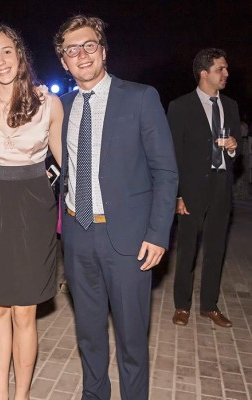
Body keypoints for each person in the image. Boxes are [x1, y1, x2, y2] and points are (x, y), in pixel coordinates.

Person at [53, 15, 178, 399]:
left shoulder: (140, 97)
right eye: (71, 50)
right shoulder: (62, 105)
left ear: (103, 51)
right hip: (78, 234)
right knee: (89, 334)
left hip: (128, 240)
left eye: (89, 45)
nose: (82, 54)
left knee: (131, 340)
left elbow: (166, 171)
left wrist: (158, 234)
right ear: (63, 62)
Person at [0, 25, 63, 400]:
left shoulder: (47, 103)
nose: (0, 61)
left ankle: (21, 396)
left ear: (20, 54)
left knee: (24, 311)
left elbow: (65, 160)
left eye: (6, 52)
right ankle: (0, 396)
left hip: (35, 202)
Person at [169, 48, 241, 328]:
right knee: (187, 249)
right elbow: (173, 153)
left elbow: (240, 148)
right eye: (220, 69)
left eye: (225, 69)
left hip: (222, 187)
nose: (226, 74)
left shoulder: (231, 106)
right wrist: (176, 194)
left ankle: (209, 305)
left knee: (216, 248)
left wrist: (234, 147)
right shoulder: (180, 106)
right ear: (204, 73)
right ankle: (181, 306)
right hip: (190, 189)